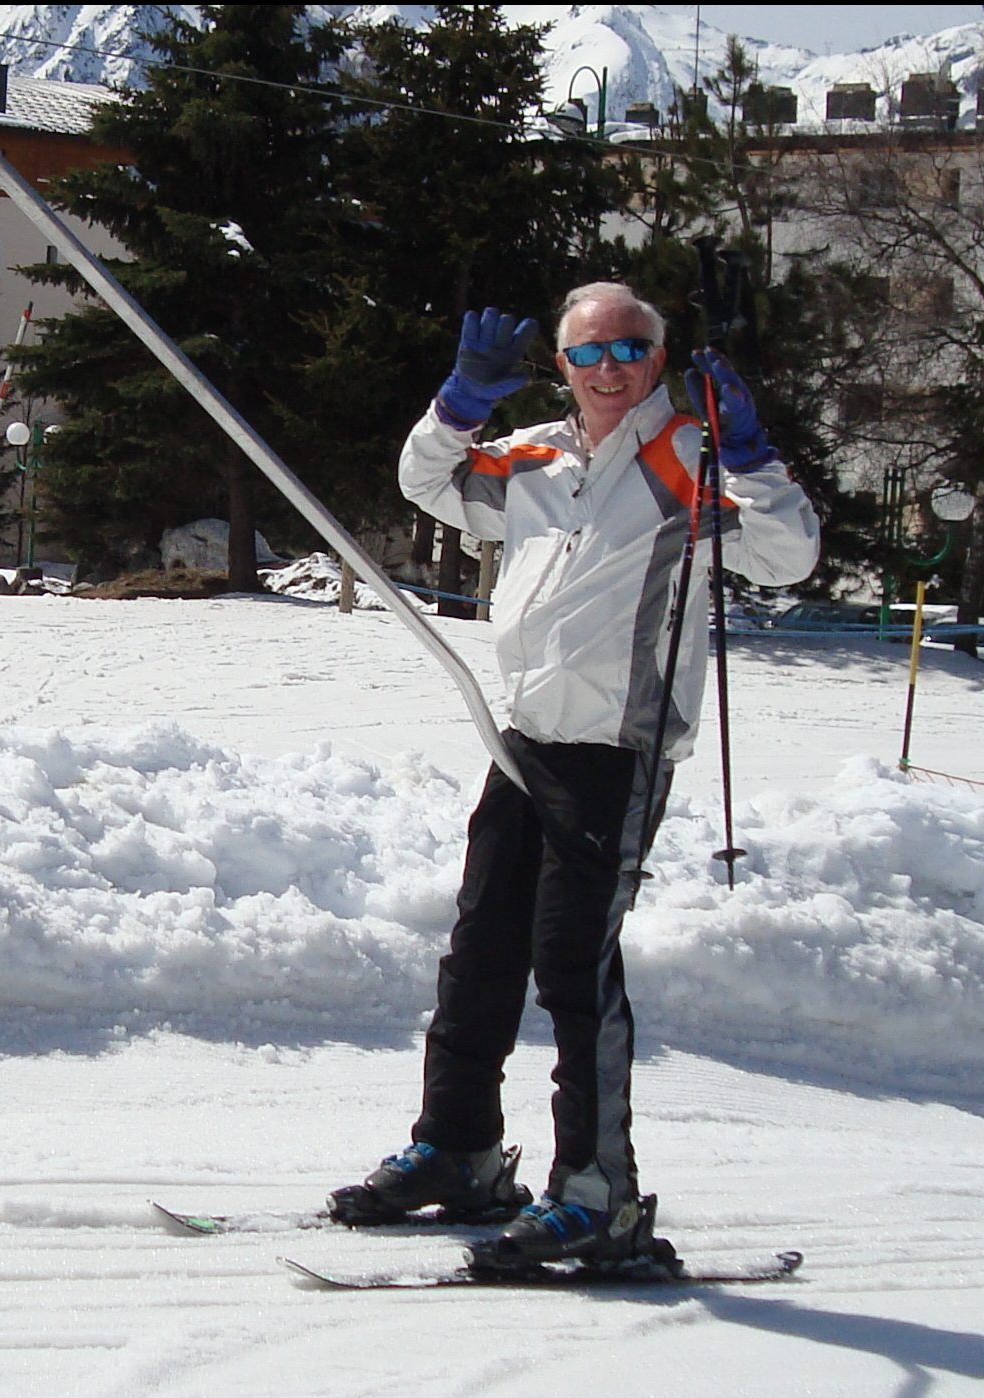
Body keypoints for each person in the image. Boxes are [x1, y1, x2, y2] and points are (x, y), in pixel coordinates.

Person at [331, 282, 820, 1269]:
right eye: (587, 352)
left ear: (657, 358)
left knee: (570, 965)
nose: (608, 368)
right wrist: (458, 404)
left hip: (613, 752)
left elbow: (785, 555)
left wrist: (751, 453)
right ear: (560, 365)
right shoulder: (533, 458)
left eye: (628, 349)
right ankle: (459, 1148)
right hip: (522, 740)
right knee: (479, 950)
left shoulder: (686, 456)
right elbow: (427, 482)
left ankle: (599, 1193)